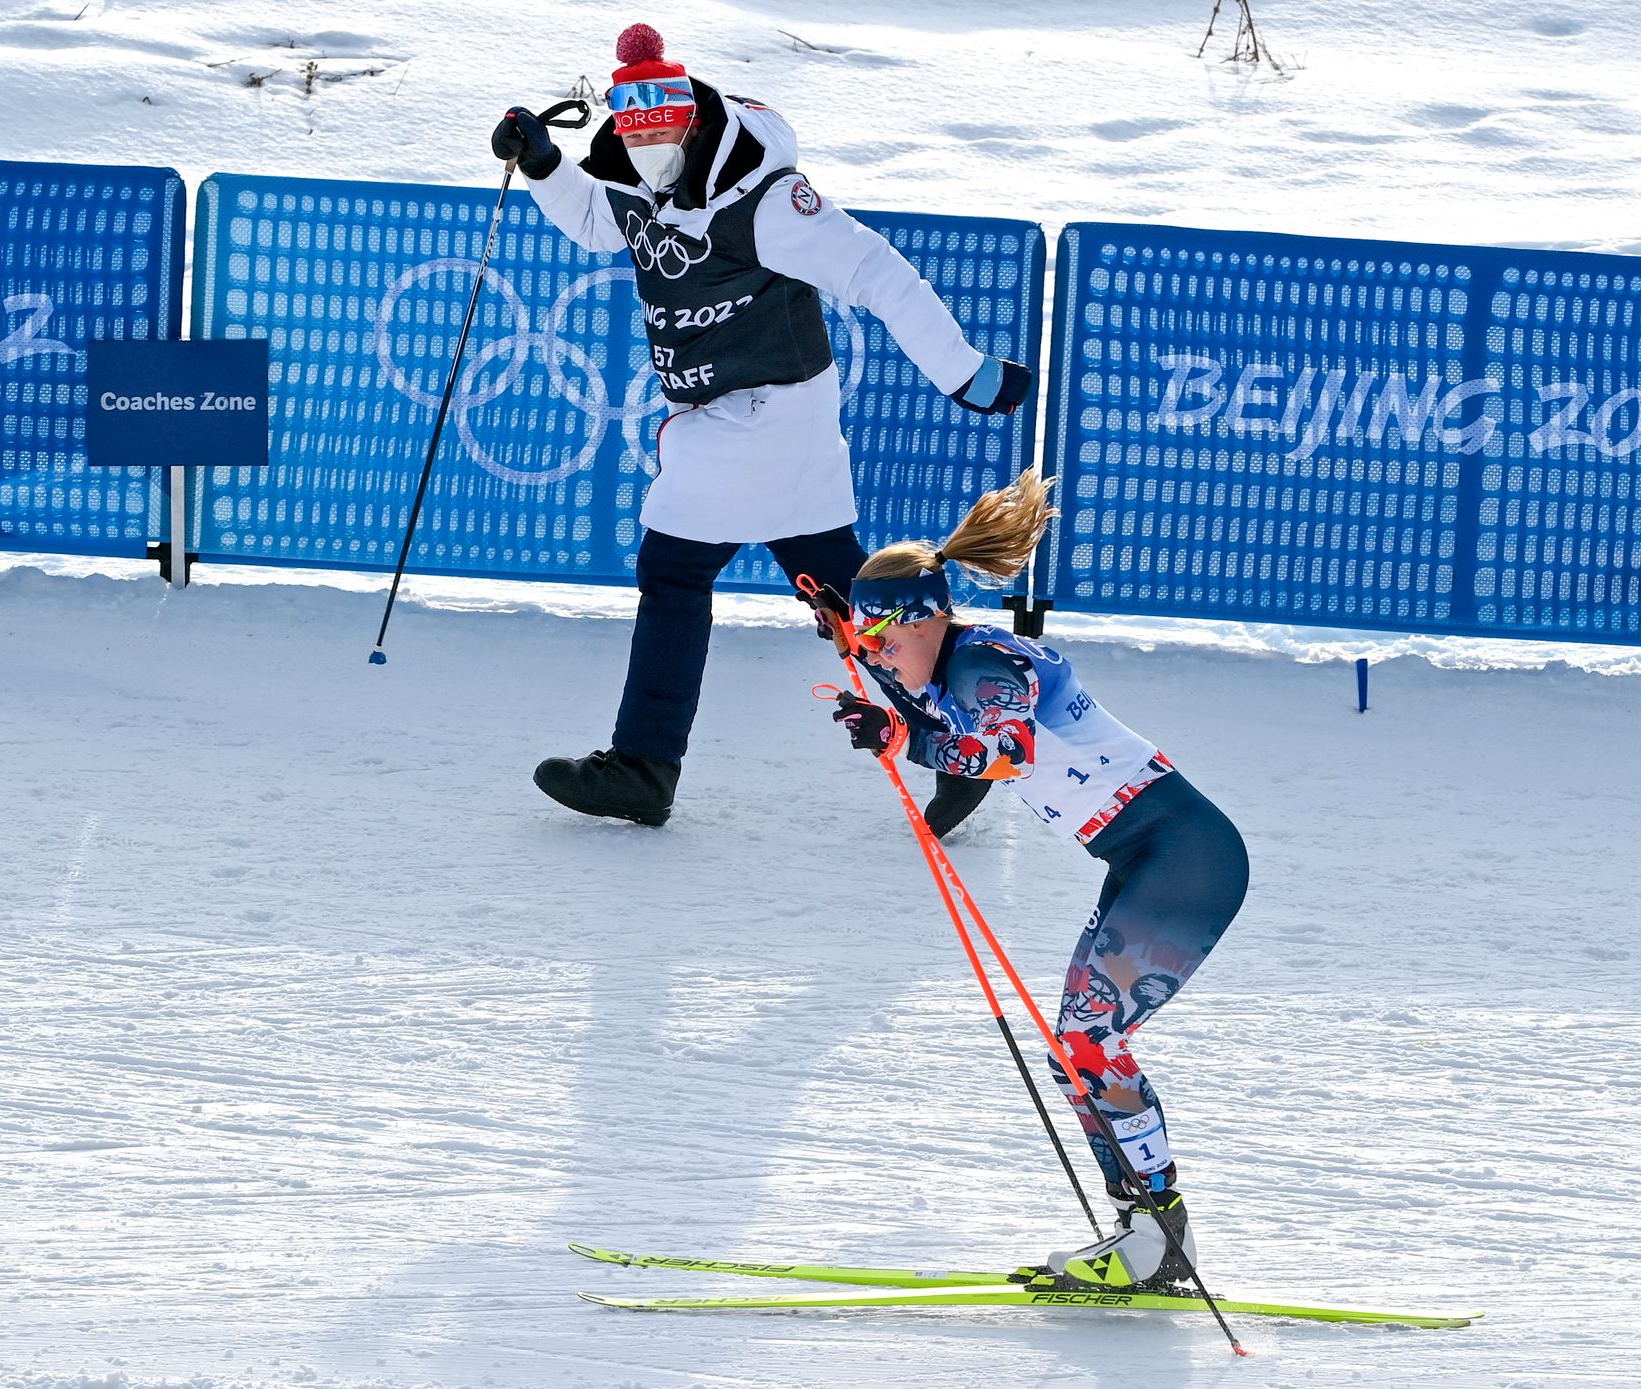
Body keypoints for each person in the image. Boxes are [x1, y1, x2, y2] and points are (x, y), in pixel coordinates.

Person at [492, 23, 1029, 830]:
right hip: (761, 423)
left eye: (665, 134)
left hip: (760, 415)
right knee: (850, 598)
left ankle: (645, 764)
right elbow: (602, 222)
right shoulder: (641, 180)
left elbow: (876, 271)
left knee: (674, 571)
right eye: (635, 140)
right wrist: (542, 164)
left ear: (694, 120)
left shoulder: (768, 200)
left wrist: (963, 370)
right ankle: (957, 739)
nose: (650, 154)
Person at [818, 468, 1249, 1290]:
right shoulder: (947, 666)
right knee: (1074, 1050)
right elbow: (929, 708)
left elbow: (1001, 751)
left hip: (1187, 855)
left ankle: (1162, 1237)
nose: (876, 654)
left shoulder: (983, 663)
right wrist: (884, 711)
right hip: (1144, 857)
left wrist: (900, 738)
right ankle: (1143, 1233)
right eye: (865, 644)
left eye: (885, 640)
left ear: (929, 618)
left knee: (1091, 1040)